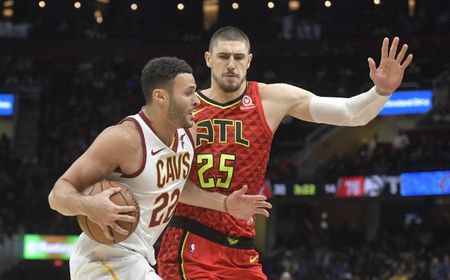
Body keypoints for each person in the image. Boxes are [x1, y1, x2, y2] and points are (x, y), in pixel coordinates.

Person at [157, 26, 413, 279]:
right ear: (209, 59)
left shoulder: (271, 98)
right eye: (224, 56)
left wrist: (381, 92)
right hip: (189, 243)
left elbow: (350, 113)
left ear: (249, 60)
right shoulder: (184, 109)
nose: (231, 64)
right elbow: (171, 185)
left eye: (238, 57)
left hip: (241, 250)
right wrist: (223, 204)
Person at [48, 57, 271, 280]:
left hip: (136, 259)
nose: (197, 101)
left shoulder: (185, 138)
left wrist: (225, 204)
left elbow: (176, 188)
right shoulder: (125, 139)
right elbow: (58, 194)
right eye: (189, 93)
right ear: (160, 96)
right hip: (104, 258)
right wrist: (89, 206)